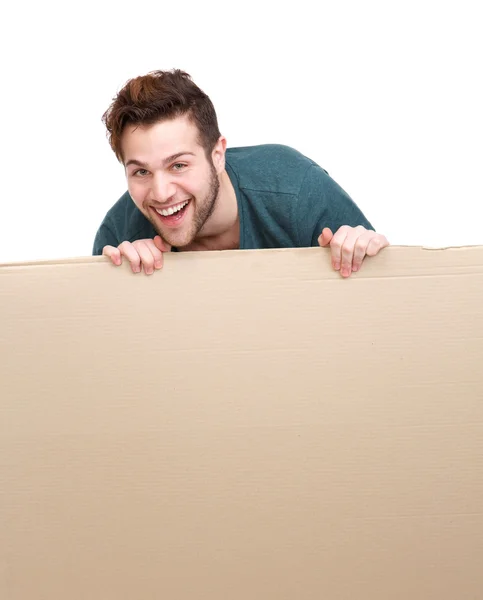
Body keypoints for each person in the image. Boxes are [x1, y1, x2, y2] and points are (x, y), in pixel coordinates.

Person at [94, 69, 389, 277]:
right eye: (141, 172)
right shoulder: (119, 236)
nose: (161, 193)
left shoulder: (295, 188)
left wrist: (362, 249)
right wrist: (128, 287)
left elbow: (385, 305)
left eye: (179, 165)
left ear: (218, 155)